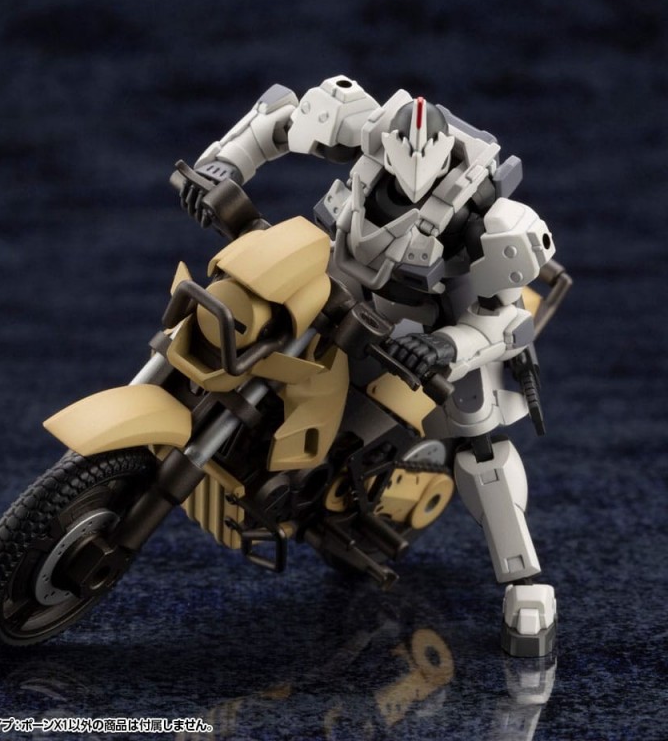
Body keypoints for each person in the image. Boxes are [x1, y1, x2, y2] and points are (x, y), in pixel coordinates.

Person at [177, 75, 557, 657]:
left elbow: (507, 322)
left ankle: (525, 587)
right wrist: (224, 166)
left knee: (478, 434)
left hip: (426, 326)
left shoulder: (492, 219)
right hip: (335, 283)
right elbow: (277, 121)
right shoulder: (365, 126)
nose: (403, 190)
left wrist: (445, 347)